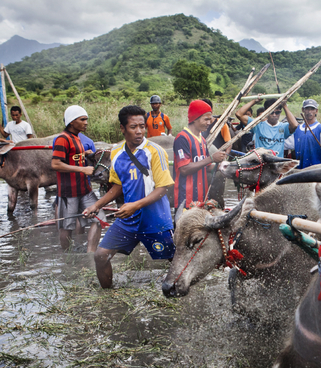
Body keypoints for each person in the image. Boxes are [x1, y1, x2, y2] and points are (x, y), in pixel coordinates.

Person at [85, 105, 175, 288]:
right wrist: (97, 205)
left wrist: (134, 205)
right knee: (100, 255)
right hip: (128, 220)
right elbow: (118, 185)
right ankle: (109, 299)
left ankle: (181, 294)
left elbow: (163, 188)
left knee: (174, 260)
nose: (139, 131)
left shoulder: (156, 152)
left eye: (142, 126)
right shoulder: (117, 154)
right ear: (122, 128)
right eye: (134, 127)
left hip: (155, 219)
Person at [51, 105, 106, 252]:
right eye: (82, 119)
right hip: (69, 191)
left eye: (86, 119)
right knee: (66, 226)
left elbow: (73, 158)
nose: (86, 122)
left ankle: (90, 253)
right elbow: (55, 164)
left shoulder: (78, 139)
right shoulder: (63, 139)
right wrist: (82, 168)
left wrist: (85, 155)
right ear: (71, 121)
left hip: (85, 190)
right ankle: (67, 258)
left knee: (100, 218)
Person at [172, 100, 227, 223]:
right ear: (195, 118)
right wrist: (211, 158)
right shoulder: (182, 138)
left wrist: (220, 166)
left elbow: (206, 167)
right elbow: (184, 169)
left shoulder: (202, 139)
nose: (209, 123)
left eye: (210, 119)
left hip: (201, 198)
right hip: (185, 198)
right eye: (206, 119)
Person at [284, 99, 321, 168]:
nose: (309, 112)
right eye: (307, 109)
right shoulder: (298, 129)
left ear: (316, 111)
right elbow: (285, 144)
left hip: (316, 170)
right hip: (301, 170)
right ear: (303, 110)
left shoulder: (320, 128)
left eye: (312, 109)